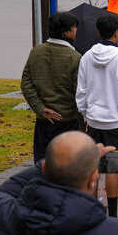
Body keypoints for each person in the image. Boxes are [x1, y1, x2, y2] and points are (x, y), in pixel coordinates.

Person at [77, 14, 118, 217]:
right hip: (115, 123)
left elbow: (81, 91)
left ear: (98, 32)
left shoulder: (86, 57)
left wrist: (85, 114)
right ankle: (111, 214)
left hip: (92, 121)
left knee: (92, 169)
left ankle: (91, 211)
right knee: (112, 170)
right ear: (117, 34)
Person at [21, 11, 82, 162]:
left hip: (43, 121)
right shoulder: (75, 57)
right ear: (67, 32)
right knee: (67, 166)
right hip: (68, 120)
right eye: (74, 28)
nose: (76, 31)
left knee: (42, 166)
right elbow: (80, 92)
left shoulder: (36, 52)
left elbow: (26, 83)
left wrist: (40, 108)